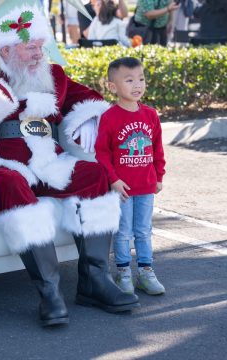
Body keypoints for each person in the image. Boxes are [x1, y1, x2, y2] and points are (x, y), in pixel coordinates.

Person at [0, 4, 139, 327]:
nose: (38, 54)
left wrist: (89, 119)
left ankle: (94, 281)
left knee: (96, 174)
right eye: (29, 47)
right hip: (8, 162)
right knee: (10, 185)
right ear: (4, 48)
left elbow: (87, 99)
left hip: (50, 160)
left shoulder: (54, 75)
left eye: (40, 46)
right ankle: (49, 292)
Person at [95, 57, 166, 296]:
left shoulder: (150, 115)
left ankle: (146, 272)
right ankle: (123, 271)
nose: (137, 85)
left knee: (144, 230)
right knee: (123, 232)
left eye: (141, 79)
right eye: (129, 80)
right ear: (113, 87)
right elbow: (102, 153)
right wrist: (113, 180)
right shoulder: (110, 117)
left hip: (146, 186)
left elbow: (157, 148)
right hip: (122, 188)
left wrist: (159, 175)